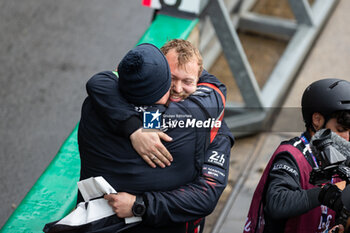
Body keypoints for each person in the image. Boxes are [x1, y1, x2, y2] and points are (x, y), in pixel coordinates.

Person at [78, 42, 233, 233]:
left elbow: (99, 81)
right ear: (161, 77)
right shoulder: (203, 121)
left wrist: (139, 205)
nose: (177, 88)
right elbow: (205, 196)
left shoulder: (95, 106)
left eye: (187, 81)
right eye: (172, 78)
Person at [244, 78, 350, 233]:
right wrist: (325, 194)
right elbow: (277, 203)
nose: (348, 137)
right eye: (341, 129)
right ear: (317, 120)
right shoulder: (291, 155)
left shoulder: (341, 154)